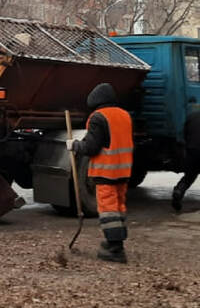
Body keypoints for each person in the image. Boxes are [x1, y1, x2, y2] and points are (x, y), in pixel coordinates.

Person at [69, 83, 133, 264]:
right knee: (119, 208)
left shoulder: (98, 117)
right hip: (123, 170)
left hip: (106, 172)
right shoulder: (124, 115)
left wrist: (74, 145)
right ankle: (116, 242)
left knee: (108, 210)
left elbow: (91, 147)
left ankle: (115, 249)